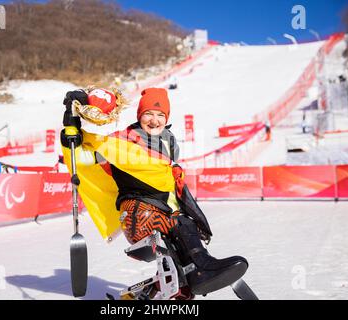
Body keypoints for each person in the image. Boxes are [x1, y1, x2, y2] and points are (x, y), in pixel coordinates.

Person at [60, 87, 248, 298]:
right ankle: (199, 269)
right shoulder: (121, 142)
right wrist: (72, 126)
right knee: (175, 225)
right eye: (148, 113)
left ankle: (181, 281)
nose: (154, 120)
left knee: (183, 246)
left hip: (164, 215)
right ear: (139, 115)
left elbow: (169, 188)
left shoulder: (169, 142)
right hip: (138, 216)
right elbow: (87, 156)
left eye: (160, 115)